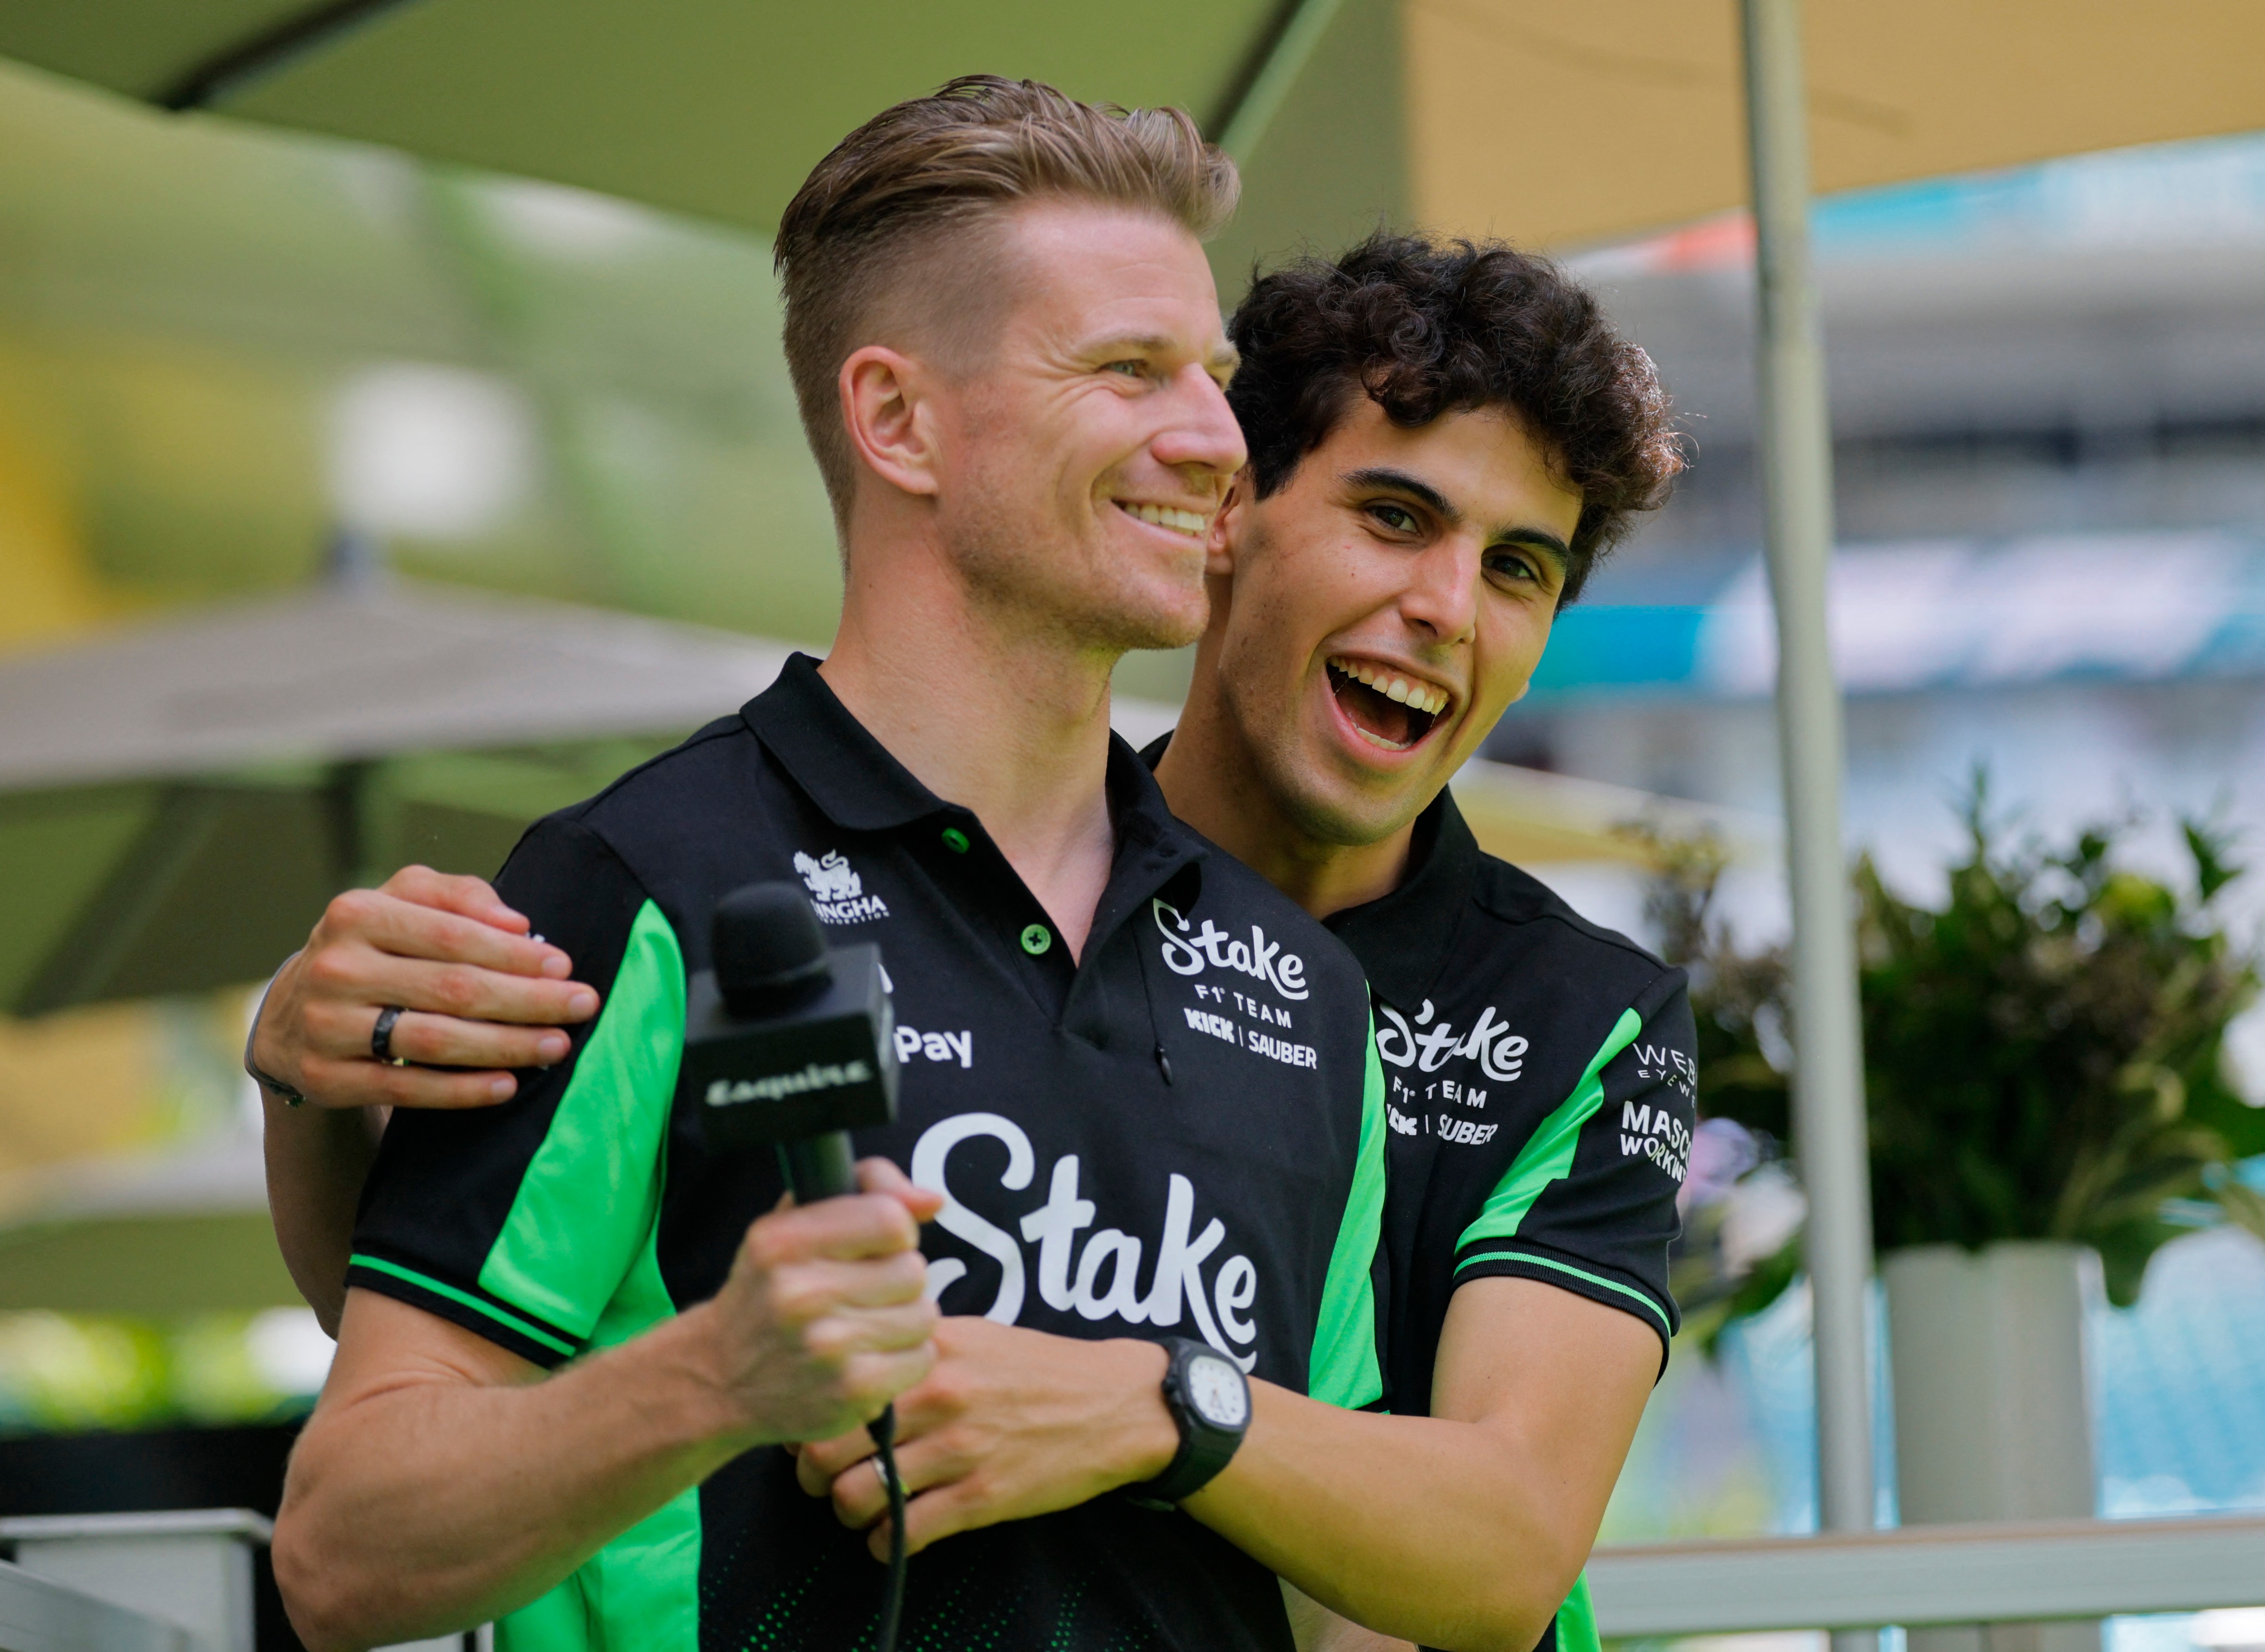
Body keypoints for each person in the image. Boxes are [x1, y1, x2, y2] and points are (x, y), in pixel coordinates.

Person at [255, 122, 1691, 1652]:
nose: (1211, 438)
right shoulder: (638, 879)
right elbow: (352, 1539)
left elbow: (1377, 1610)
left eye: (1207, 374)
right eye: (1131, 370)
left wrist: (1159, 1407)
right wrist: (714, 1371)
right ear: (900, 421)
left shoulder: (1308, 990)